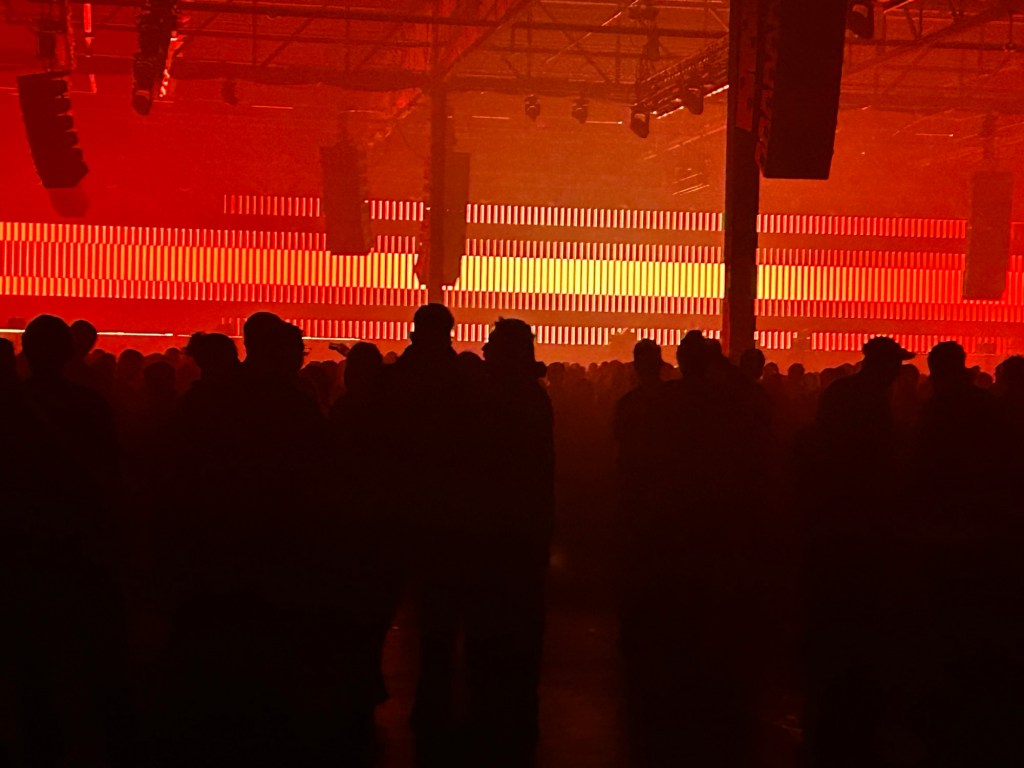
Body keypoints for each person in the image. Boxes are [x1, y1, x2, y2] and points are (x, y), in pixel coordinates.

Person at [466, 319, 555, 766]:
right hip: (521, 533)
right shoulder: (532, 398)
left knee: (492, 627)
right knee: (518, 627)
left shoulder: (496, 400)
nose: (484, 349)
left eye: (492, 345)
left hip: (497, 534)